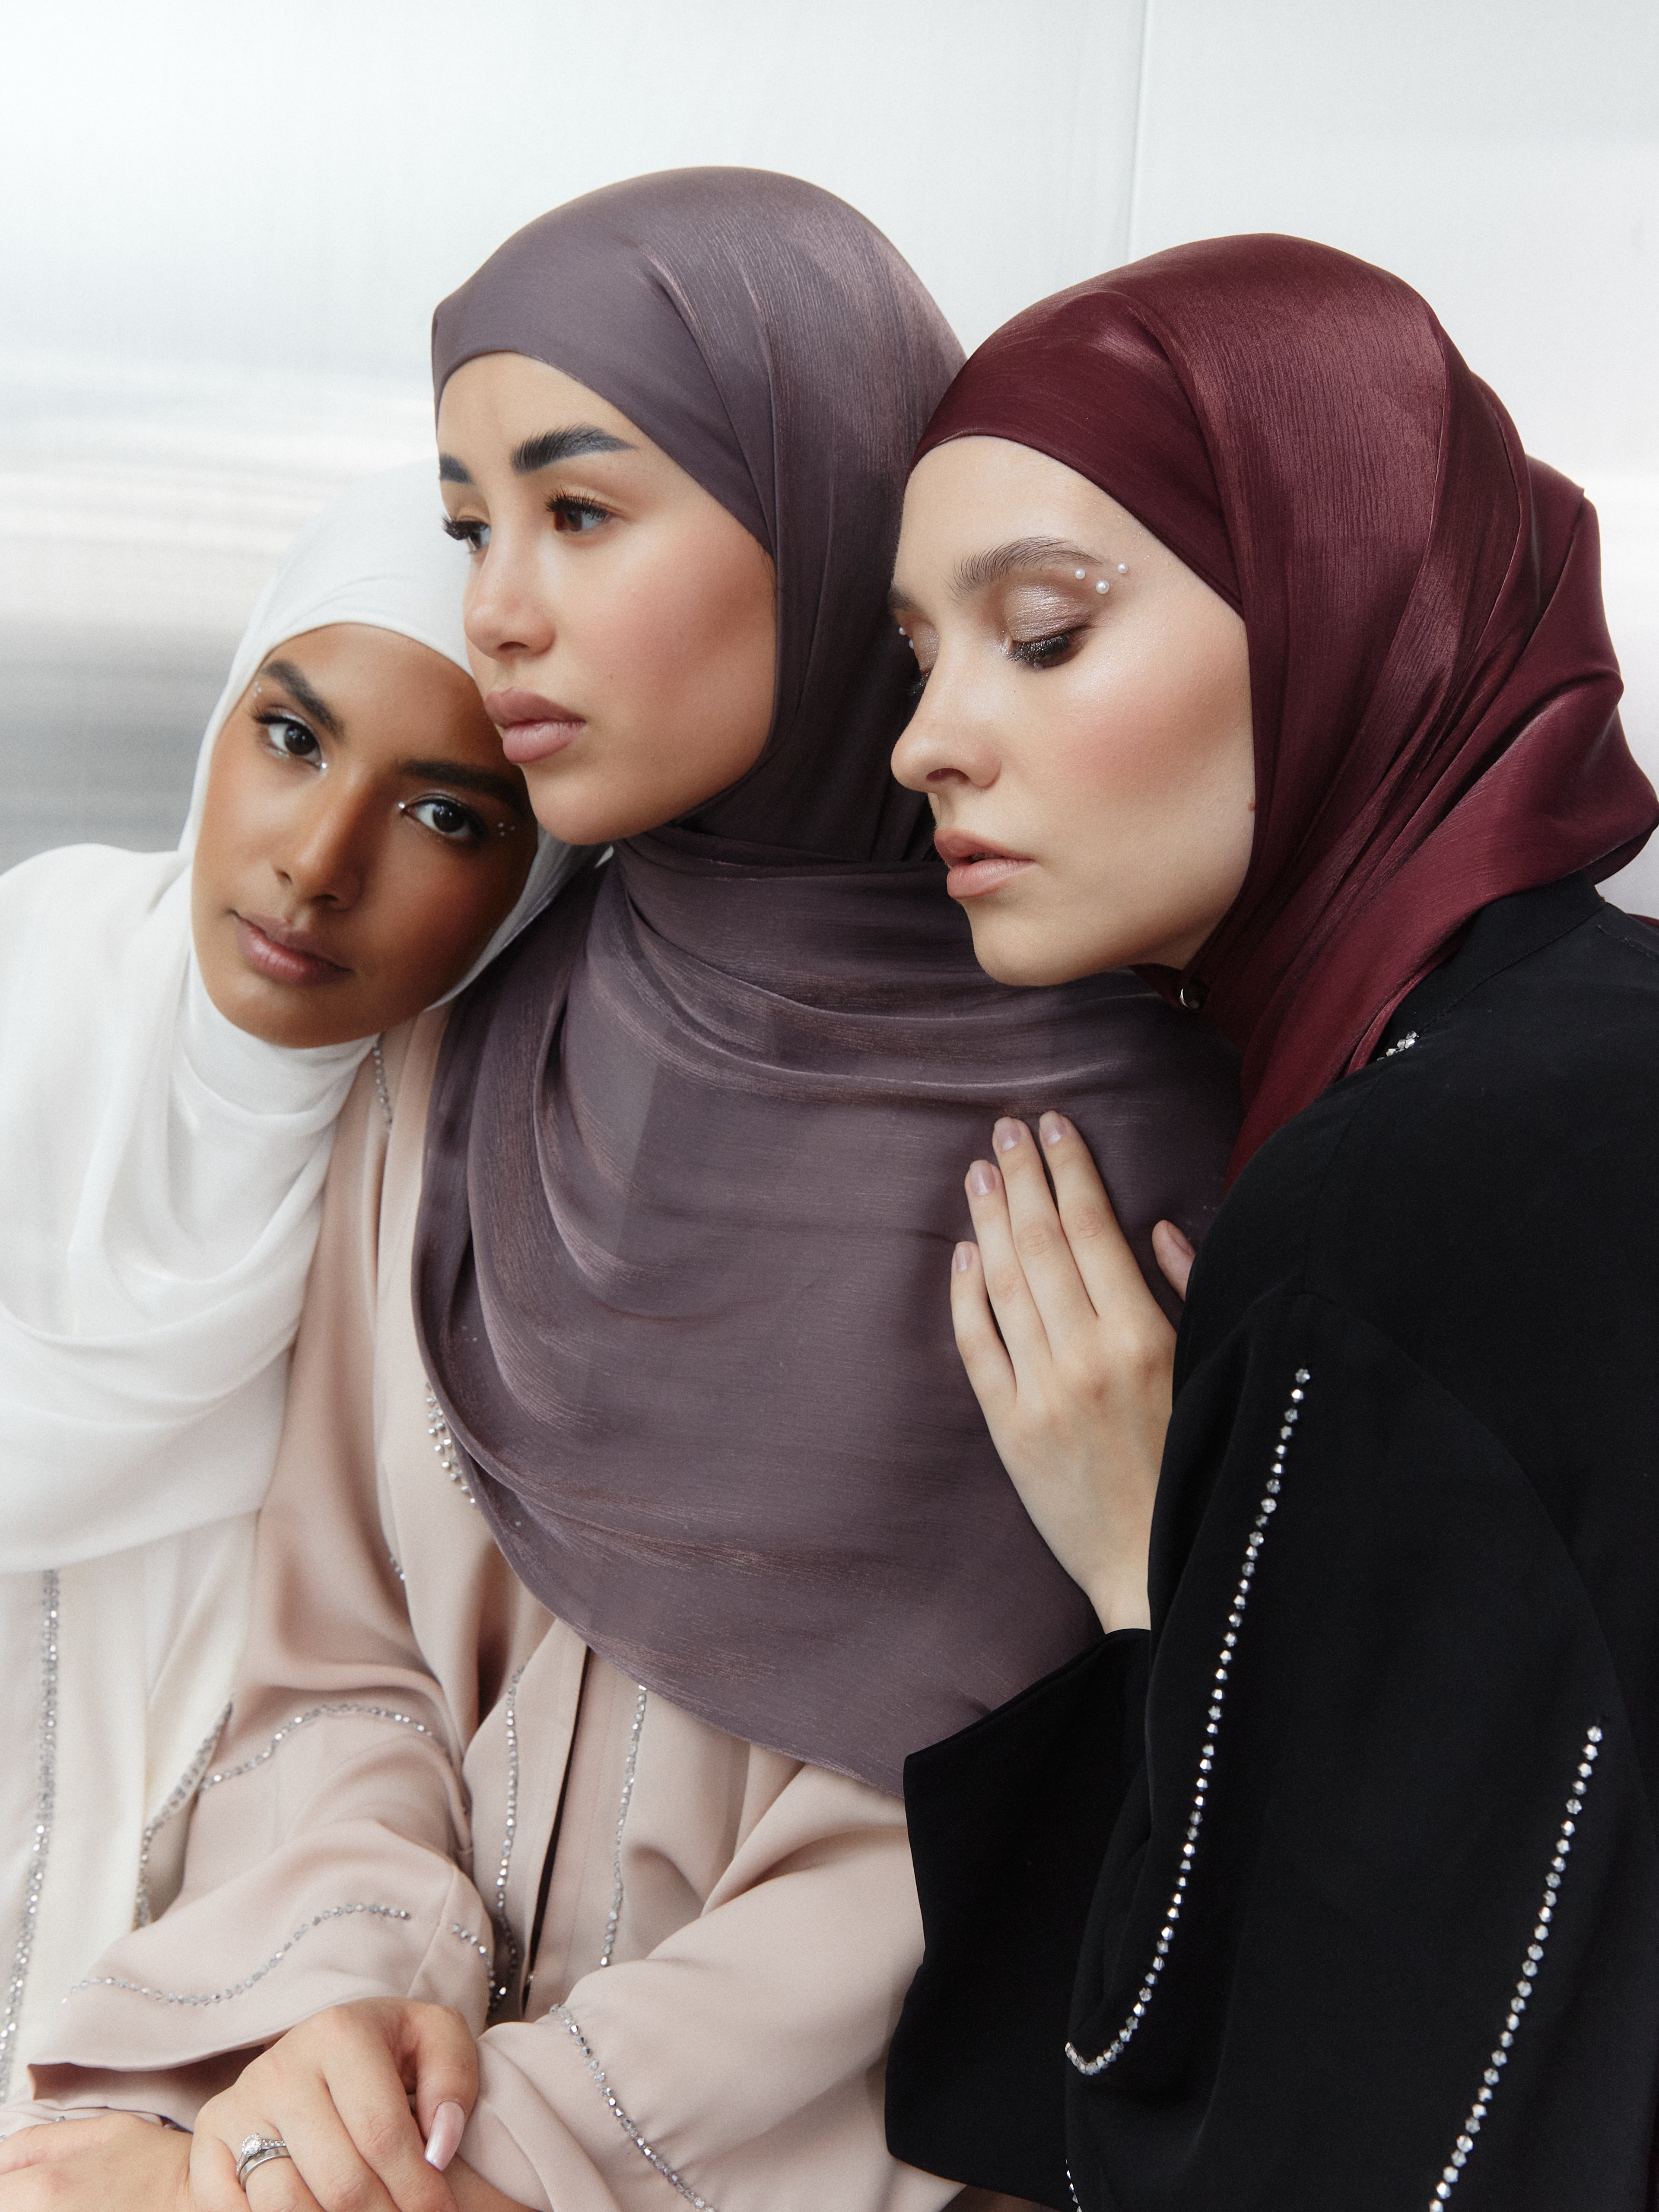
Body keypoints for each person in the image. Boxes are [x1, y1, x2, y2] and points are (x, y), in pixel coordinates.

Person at [0, 174, 1241, 2212]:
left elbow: (988, 1803)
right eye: (473, 519)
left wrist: (526, 2140)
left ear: (835, 519)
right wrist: (340, 2000)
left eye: (576, 513)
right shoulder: (470, 1050)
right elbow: (335, 1654)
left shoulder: (1101, 1123)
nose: (496, 604)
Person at [878, 234, 1659, 2210]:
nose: (925, 743)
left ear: (1344, 604)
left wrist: (1170, 1580)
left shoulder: (1407, 1197)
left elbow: (1331, 2129)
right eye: (914, 658)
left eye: (1043, 629)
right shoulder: (1575, 1062)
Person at [0, 461, 570, 2103]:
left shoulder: (465, 1219)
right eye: (294, 737)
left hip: (163, 2107)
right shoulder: (28, 1007)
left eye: (446, 814)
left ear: (536, 881)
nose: (318, 860)